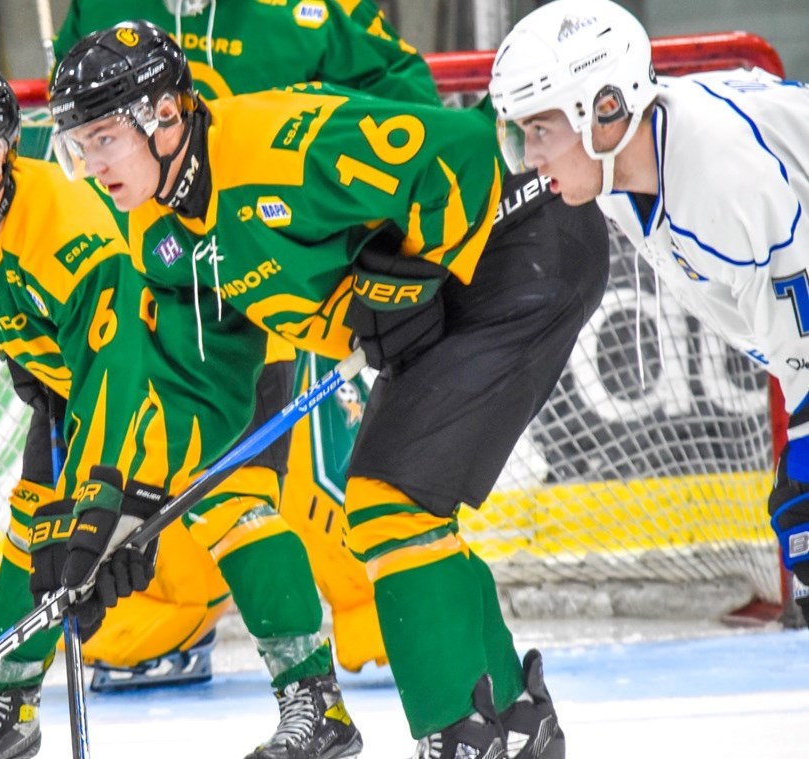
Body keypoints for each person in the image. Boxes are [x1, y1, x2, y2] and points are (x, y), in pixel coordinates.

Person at [50, 21, 610, 758]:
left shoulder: (279, 141)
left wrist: (410, 265)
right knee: (394, 505)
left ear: (164, 116)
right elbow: (197, 385)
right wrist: (125, 512)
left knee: (389, 502)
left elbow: (470, 143)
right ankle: (509, 723)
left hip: (525, 246)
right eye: (76, 147)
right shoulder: (159, 235)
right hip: (460, 291)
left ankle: (469, 737)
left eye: (103, 140)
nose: (90, 166)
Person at [0, 61, 360, 759]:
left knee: (229, 506)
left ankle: (317, 703)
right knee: (37, 514)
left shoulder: (75, 240)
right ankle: (5, 707)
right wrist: (27, 345)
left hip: (210, 347)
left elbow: (122, 373)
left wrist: (103, 505)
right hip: (96, 369)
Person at [50, 0, 442, 678]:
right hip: (169, 270)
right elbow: (81, 131)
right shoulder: (103, 12)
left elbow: (404, 98)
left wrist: (377, 228)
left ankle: (379, 609)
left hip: (291, 260)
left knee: (322, 471)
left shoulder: (311, 11)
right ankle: (174, 615)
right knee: (187, 460)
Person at [489, 0, 809, 627]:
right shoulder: (628, 171)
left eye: (539, 131)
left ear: (605, 111)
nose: (528, 159)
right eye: (520, 134)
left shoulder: (719, 185)